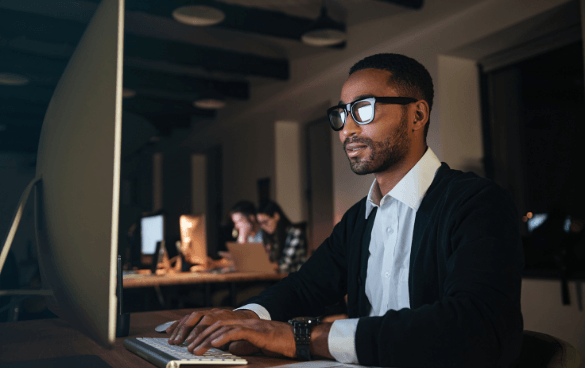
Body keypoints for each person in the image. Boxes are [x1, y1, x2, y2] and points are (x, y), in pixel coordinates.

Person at [166, 53, 524, 367]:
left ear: (417, 114)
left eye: (363, 109)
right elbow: (304, 288)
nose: (346, 129)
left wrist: (302, 338)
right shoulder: (358, 219)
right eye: (341, 113)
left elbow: (475, 327)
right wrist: (240, 318)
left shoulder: (477, 203)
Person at [256, 200, 307, 272]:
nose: (263, 226)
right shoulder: (269, 237)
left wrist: (265, 265)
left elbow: (285, 265)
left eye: (265, 222)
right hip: (274, 279)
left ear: (276, 216)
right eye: (260, 223)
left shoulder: (295, 234)